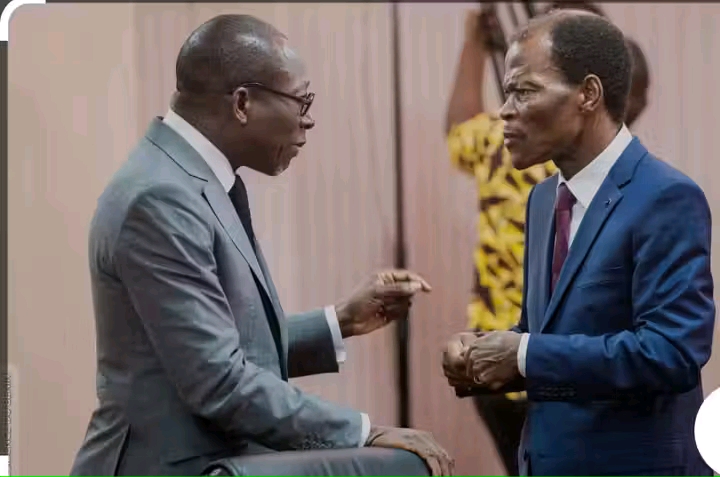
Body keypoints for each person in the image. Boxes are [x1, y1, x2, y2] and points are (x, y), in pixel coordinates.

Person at [70, 14, 453, 477]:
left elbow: (217, 348)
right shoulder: (161, 198)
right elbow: (218, 379)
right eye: (301, 100)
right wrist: (361, 431)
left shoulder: (187, 180)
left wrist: (341, 321)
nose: (308, 119)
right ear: (242, 103)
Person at [443, 9, 714, 475]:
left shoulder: (666, 197)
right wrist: (485, 355)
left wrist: (524, 354)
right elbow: (547, 338)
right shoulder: (543, 200)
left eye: (524, 91)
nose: (505, 110)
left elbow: (672, 354)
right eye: (508, 92)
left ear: (588, 94)